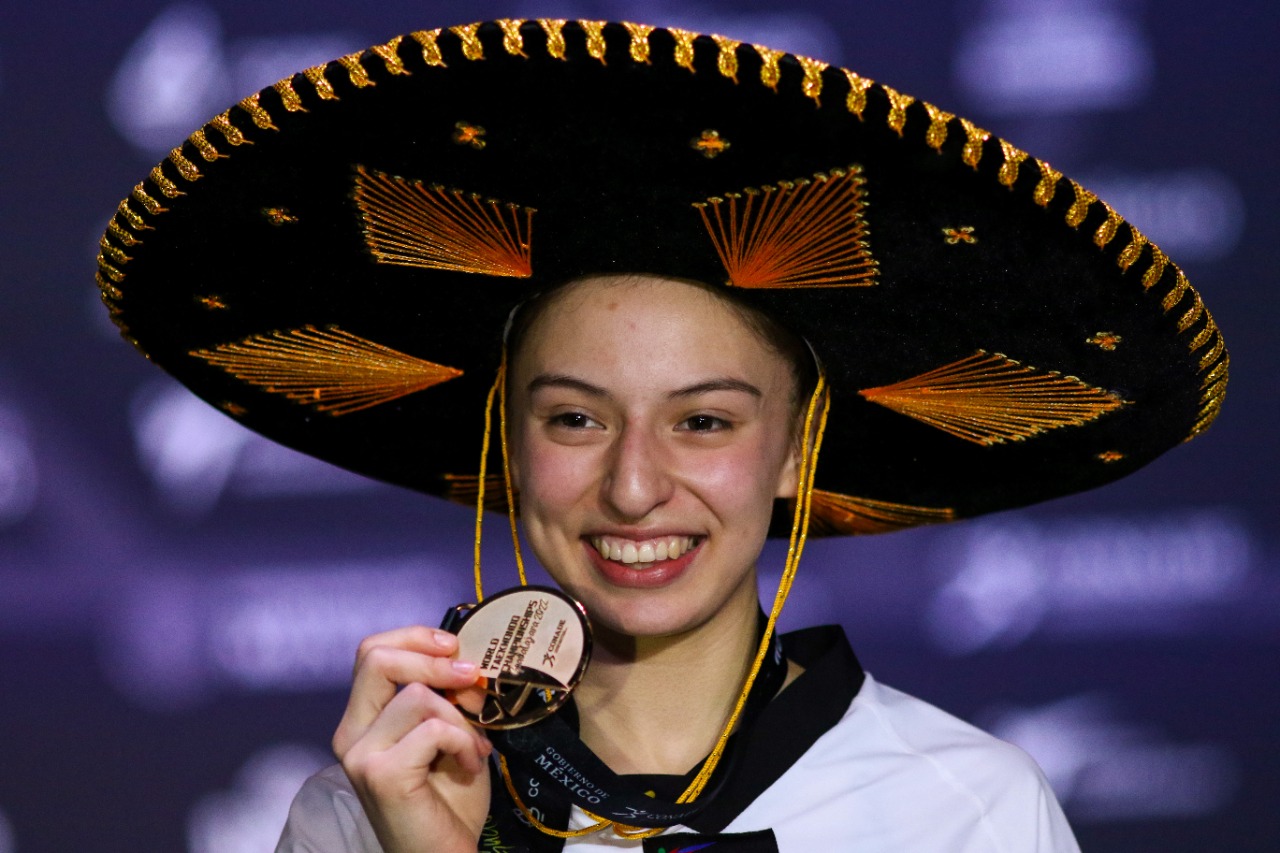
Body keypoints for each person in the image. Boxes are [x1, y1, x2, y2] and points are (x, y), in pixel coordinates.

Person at [96, 19, 1226, 853]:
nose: (634, 485)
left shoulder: (966, 809)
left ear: (794, 449)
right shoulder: (361, 813)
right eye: (576, 416)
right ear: (507, 438)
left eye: (704, 419)